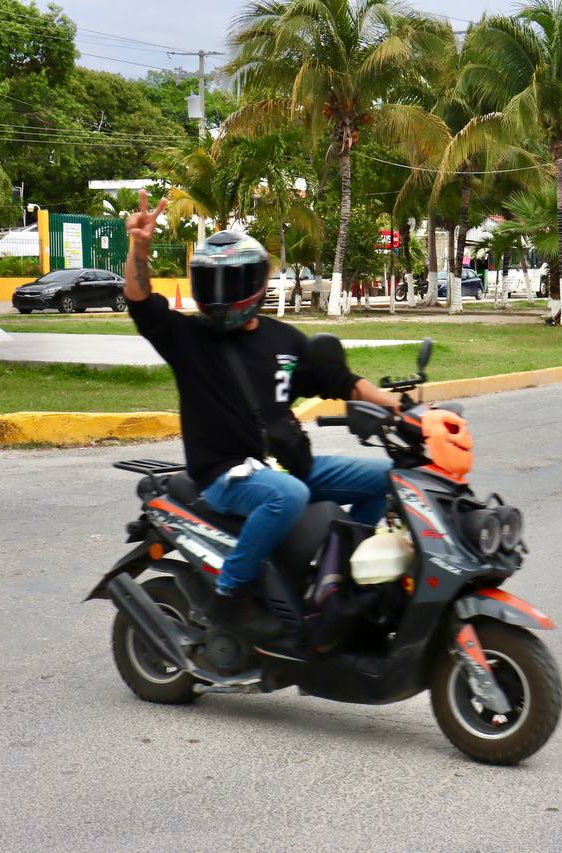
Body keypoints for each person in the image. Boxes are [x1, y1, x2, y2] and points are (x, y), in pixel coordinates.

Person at [123, 192, 400, 639]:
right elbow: (141, 303)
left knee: (389, 479)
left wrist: (397, 406)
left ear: (256, 283)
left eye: (232, 283)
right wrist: (139, 247)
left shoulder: (283, 339)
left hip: (288, 465)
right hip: (224, 474)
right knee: (286, 496)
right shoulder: (187, 338)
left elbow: (337, 380)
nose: (221, 296)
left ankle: (340, 579)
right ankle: (229, 594)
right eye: (211, 283)